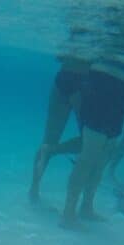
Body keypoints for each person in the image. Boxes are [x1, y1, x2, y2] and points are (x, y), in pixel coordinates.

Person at [59, 61, 124, 227]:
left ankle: (86, 207)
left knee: (103, 157)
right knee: (88, 156)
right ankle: (68, 212)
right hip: (104, 84)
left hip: (123, 90)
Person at [28, 46, 90, 203]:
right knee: (90, 140)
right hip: (83, 80)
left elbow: (59, 56)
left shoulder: (74, 34)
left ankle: (33, 189)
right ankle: (55, 150)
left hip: (63, 75)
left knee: (48, 139)